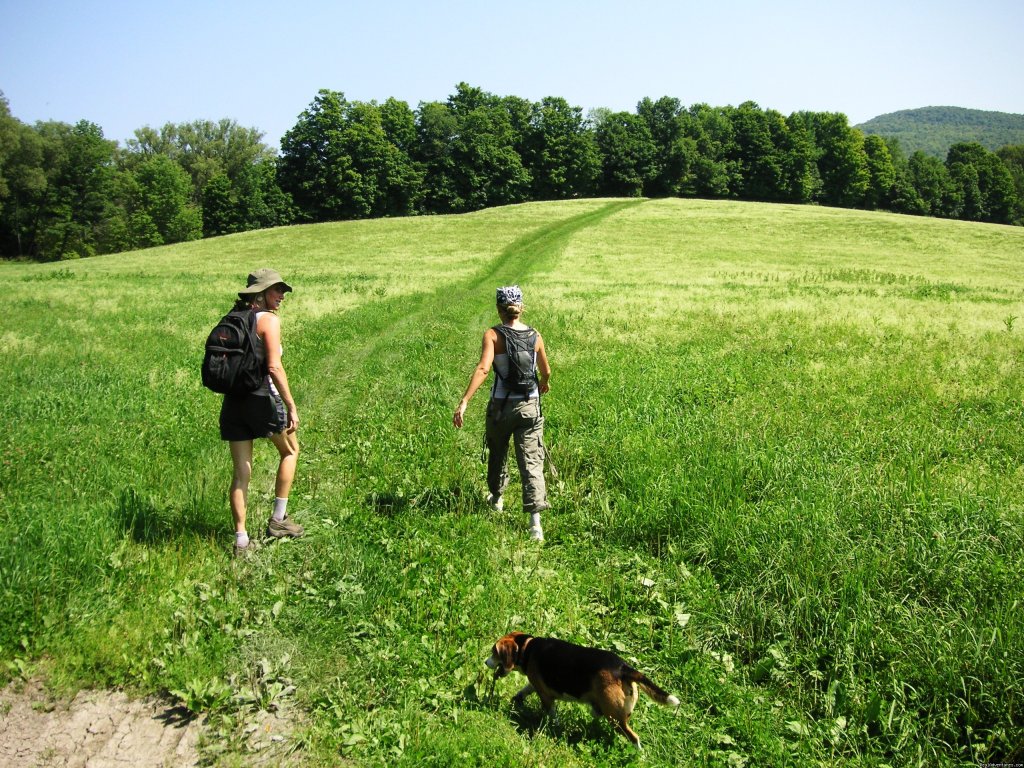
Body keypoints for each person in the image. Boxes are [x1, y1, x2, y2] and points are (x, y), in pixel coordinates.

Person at [453, 285, 551, 541]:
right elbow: (546, 370)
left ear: (499, 308)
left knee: (498, 452)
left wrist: (464, 401)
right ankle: (535, 524)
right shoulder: (535, 335)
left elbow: (484, 369)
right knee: (531, 461)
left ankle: (496, 498)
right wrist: (545, 383)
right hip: (529, 405)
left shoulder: (493, 335)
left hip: (500, 406)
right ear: (521, 307)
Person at [220, 268, 302, 557]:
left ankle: (241, 540)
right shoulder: (268, 320)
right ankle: (278, 520)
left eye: (282, 291)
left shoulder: (234, 319)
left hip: (234, 400)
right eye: (276, 290)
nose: (281, 296)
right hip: (262, 398)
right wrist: (291, 405)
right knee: (291, 451)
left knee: (241, 472)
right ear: (261, 293)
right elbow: (274, 367)